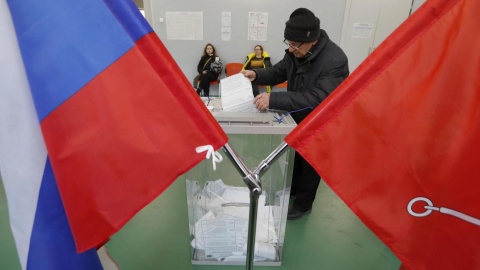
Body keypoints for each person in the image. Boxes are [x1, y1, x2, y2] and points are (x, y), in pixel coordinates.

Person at [241, 8, 349, 220]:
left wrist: (275, 99)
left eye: (294, 45)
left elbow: (319, 98)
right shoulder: (296, 51)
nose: (290, 49)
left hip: (321, 120)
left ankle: (303, 205)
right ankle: (294, 191)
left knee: (311, 162)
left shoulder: (335, 60)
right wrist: (256, 75)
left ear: (313, 41)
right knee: (296, 156)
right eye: (288, 43)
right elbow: (279, 71)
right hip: (297, 114)